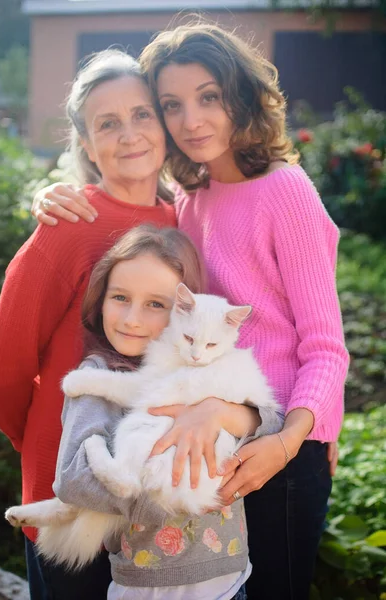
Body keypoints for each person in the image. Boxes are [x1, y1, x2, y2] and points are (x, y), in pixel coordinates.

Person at [31, 20, 349, 600]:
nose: (191, 120)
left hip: (277, 449)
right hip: (201, 444)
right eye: (171, 104)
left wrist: (289, 439)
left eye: (210, 97)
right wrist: (48, 191)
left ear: (242, 97)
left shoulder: (287, 191)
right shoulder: (187, 198)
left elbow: (325, 348)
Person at [0, 49, 178, 600]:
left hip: (153, 498)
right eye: (108, 123)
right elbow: (1, 369)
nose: (130, 134)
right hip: (69, 494)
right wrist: (48, 440)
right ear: (88, 145)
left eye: (142, 114)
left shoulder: (182, 217)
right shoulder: (67, 228)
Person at [53, 222, 272, 600]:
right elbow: (73, 483)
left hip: (227, 573)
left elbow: (270, 421)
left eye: (156, 304)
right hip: (147, 582)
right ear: (100, 298)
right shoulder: (98, 376)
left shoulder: (202, 361)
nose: (134, 319)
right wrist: (168, 496)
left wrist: (223, 412)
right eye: (120, 297)